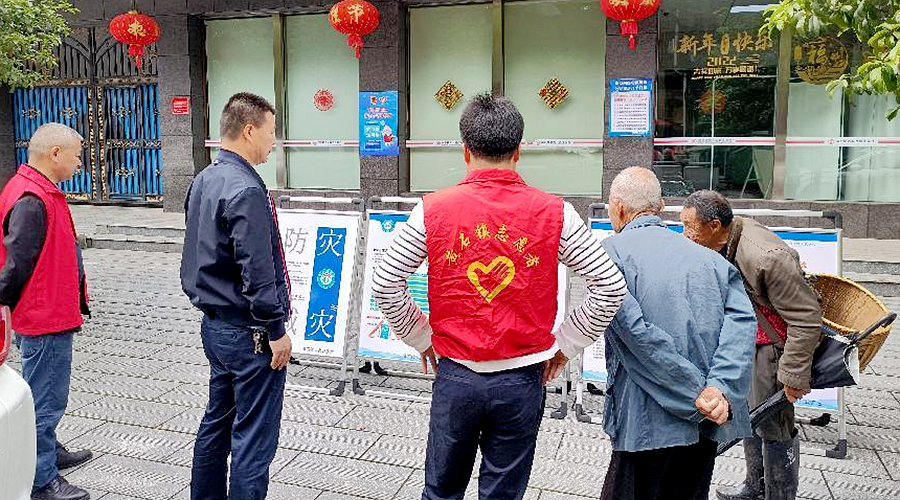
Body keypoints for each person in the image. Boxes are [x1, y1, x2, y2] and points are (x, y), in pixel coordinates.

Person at [372, 93, 627, 500]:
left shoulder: (431, 210)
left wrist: (421, 338)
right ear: (519, 150)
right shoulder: (556, 213)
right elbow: (610, 286)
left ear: (465, 150)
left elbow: (386, 281)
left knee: (440, 491)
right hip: (523, 379)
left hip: (456, 374)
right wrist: (566, 345)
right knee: (503, 493)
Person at [598, 167, 757, 500]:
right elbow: (742, 325)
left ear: (618, 208)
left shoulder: (611, 255)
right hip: (708, 418)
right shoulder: (714, 261)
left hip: (646, 419)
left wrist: (695, 391)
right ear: (660, 207)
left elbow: (635, 335)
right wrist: (718, 388)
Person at [181, 92, 293, 500]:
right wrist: (276, 328)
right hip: (250, 333)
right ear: (249, 131)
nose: (274, 141)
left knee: (217, 422)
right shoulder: (246, 188)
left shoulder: (205, 178)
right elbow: (257, 271)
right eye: (271, 131)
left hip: (216, 326)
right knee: (253, 438)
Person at [681, 190, 822, 500]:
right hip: (747, 340)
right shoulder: (724, 240)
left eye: (690, 226)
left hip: (772, 347)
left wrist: (793, 376)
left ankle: (778, 495)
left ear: (714, 225)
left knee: (773, 425)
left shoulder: (767, 257)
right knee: (748, 415)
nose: (685, 234)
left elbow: (806, 317)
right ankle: (754, 487)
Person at [0, 123, 93, 500]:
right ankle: (41, 479)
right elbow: (16, 265)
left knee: (45, 393)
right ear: (55, 153)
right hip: (44, 317)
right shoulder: (32, 197)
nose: (80, 162)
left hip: (48, 311)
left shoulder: (35, 188)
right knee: (45, 400)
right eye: (77, 155)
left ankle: (48, 451)